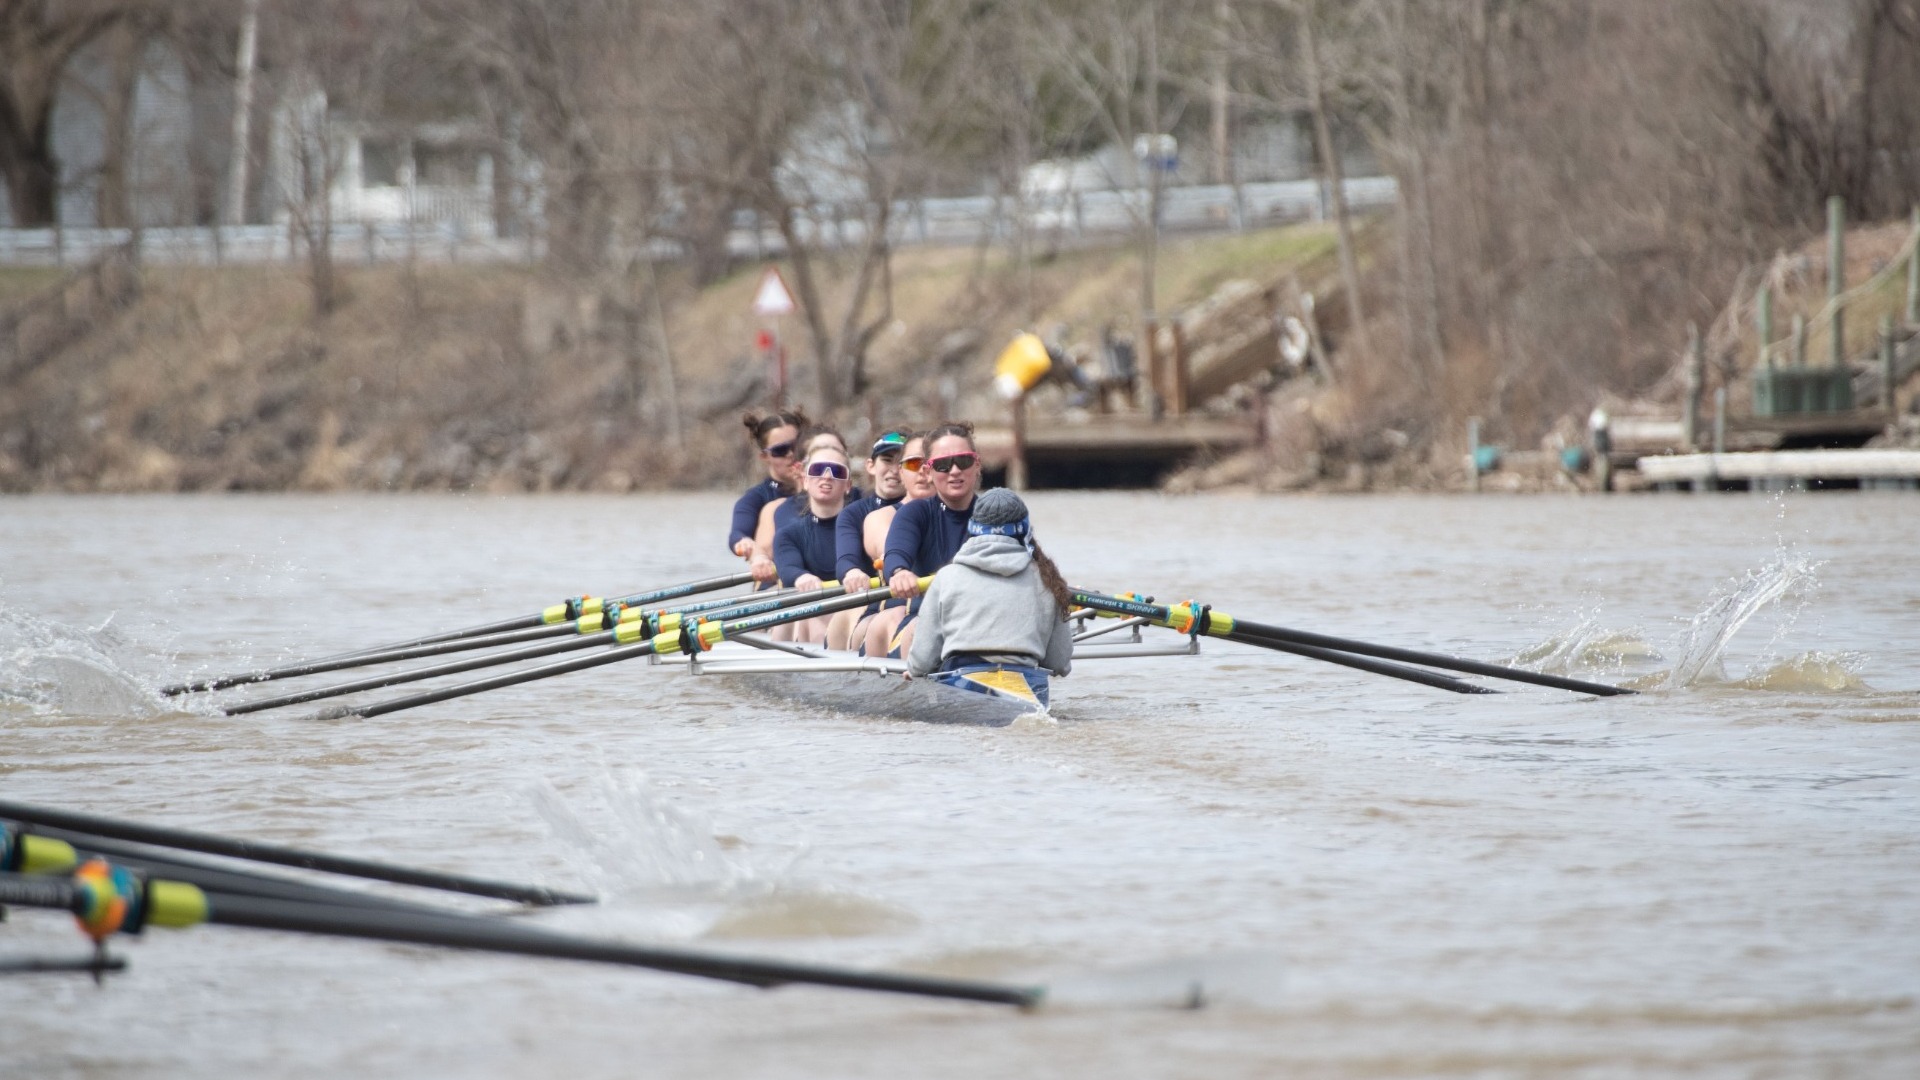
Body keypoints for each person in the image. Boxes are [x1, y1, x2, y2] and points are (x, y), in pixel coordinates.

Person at [906, 487, 1073, 687]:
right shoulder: (1048, 580)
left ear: (973, 529)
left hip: (960, 684)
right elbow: (1059, 663)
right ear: (1025, 530)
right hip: (1027, 684)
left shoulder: (946, 577)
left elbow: (921, 662)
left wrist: (915, 672)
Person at [878, 421, 983, 659]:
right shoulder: (915, 513)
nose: (955, 471)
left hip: (983, 621)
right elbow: (895, 554)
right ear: (928, 471)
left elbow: (1031, 561)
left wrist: (1055, 588)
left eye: (963, 461)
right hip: (924, 622)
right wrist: (900, 573)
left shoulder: (997, 514)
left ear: (977, 464)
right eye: (943, 465)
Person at [825, 428, 912, 650]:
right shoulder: (854, 513)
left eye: (901, 462)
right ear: (870, 466)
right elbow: (846, 560)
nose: (894, 470)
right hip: (871, 599)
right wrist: (853, 573)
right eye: (887, 460)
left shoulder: (925, 510)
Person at [771, 443, 853, 643]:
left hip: (852, 607)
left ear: (848, 485)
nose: (826, 476)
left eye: (837, 471)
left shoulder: (862, 527)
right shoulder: (788, 535)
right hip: (808, 608)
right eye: (818, 470)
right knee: (799, 616)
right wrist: (801, 577)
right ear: (806, 481)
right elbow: (788, 567)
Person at [731, 409, 807, 584]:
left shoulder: (830, 485)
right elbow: (738, 533)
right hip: (773, 579)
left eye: (796, 446)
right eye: (781, 450)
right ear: (765, 456)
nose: (791, 454)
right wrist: (745, 544)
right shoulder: (755, 499)